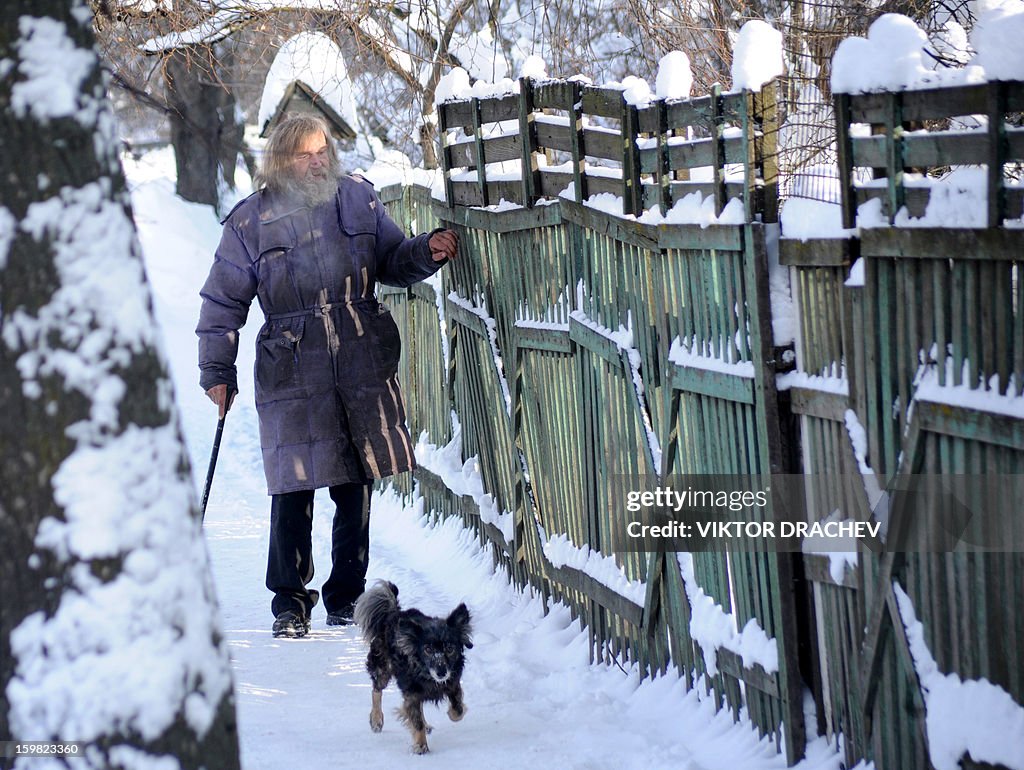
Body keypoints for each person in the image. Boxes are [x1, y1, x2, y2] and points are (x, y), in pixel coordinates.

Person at [196, 113, 458, 638]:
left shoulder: (358, 200)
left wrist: (426, 251)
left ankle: (346, 597)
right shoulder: (251, 222)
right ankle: (290, 603)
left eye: (322, 153)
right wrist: (216, 368)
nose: (316, 163)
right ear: (282, 161)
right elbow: (223, 301)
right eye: (304, 155)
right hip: (291, 366)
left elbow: (391, 259)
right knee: (293, 486)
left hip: (359, 355)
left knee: (353, 481)